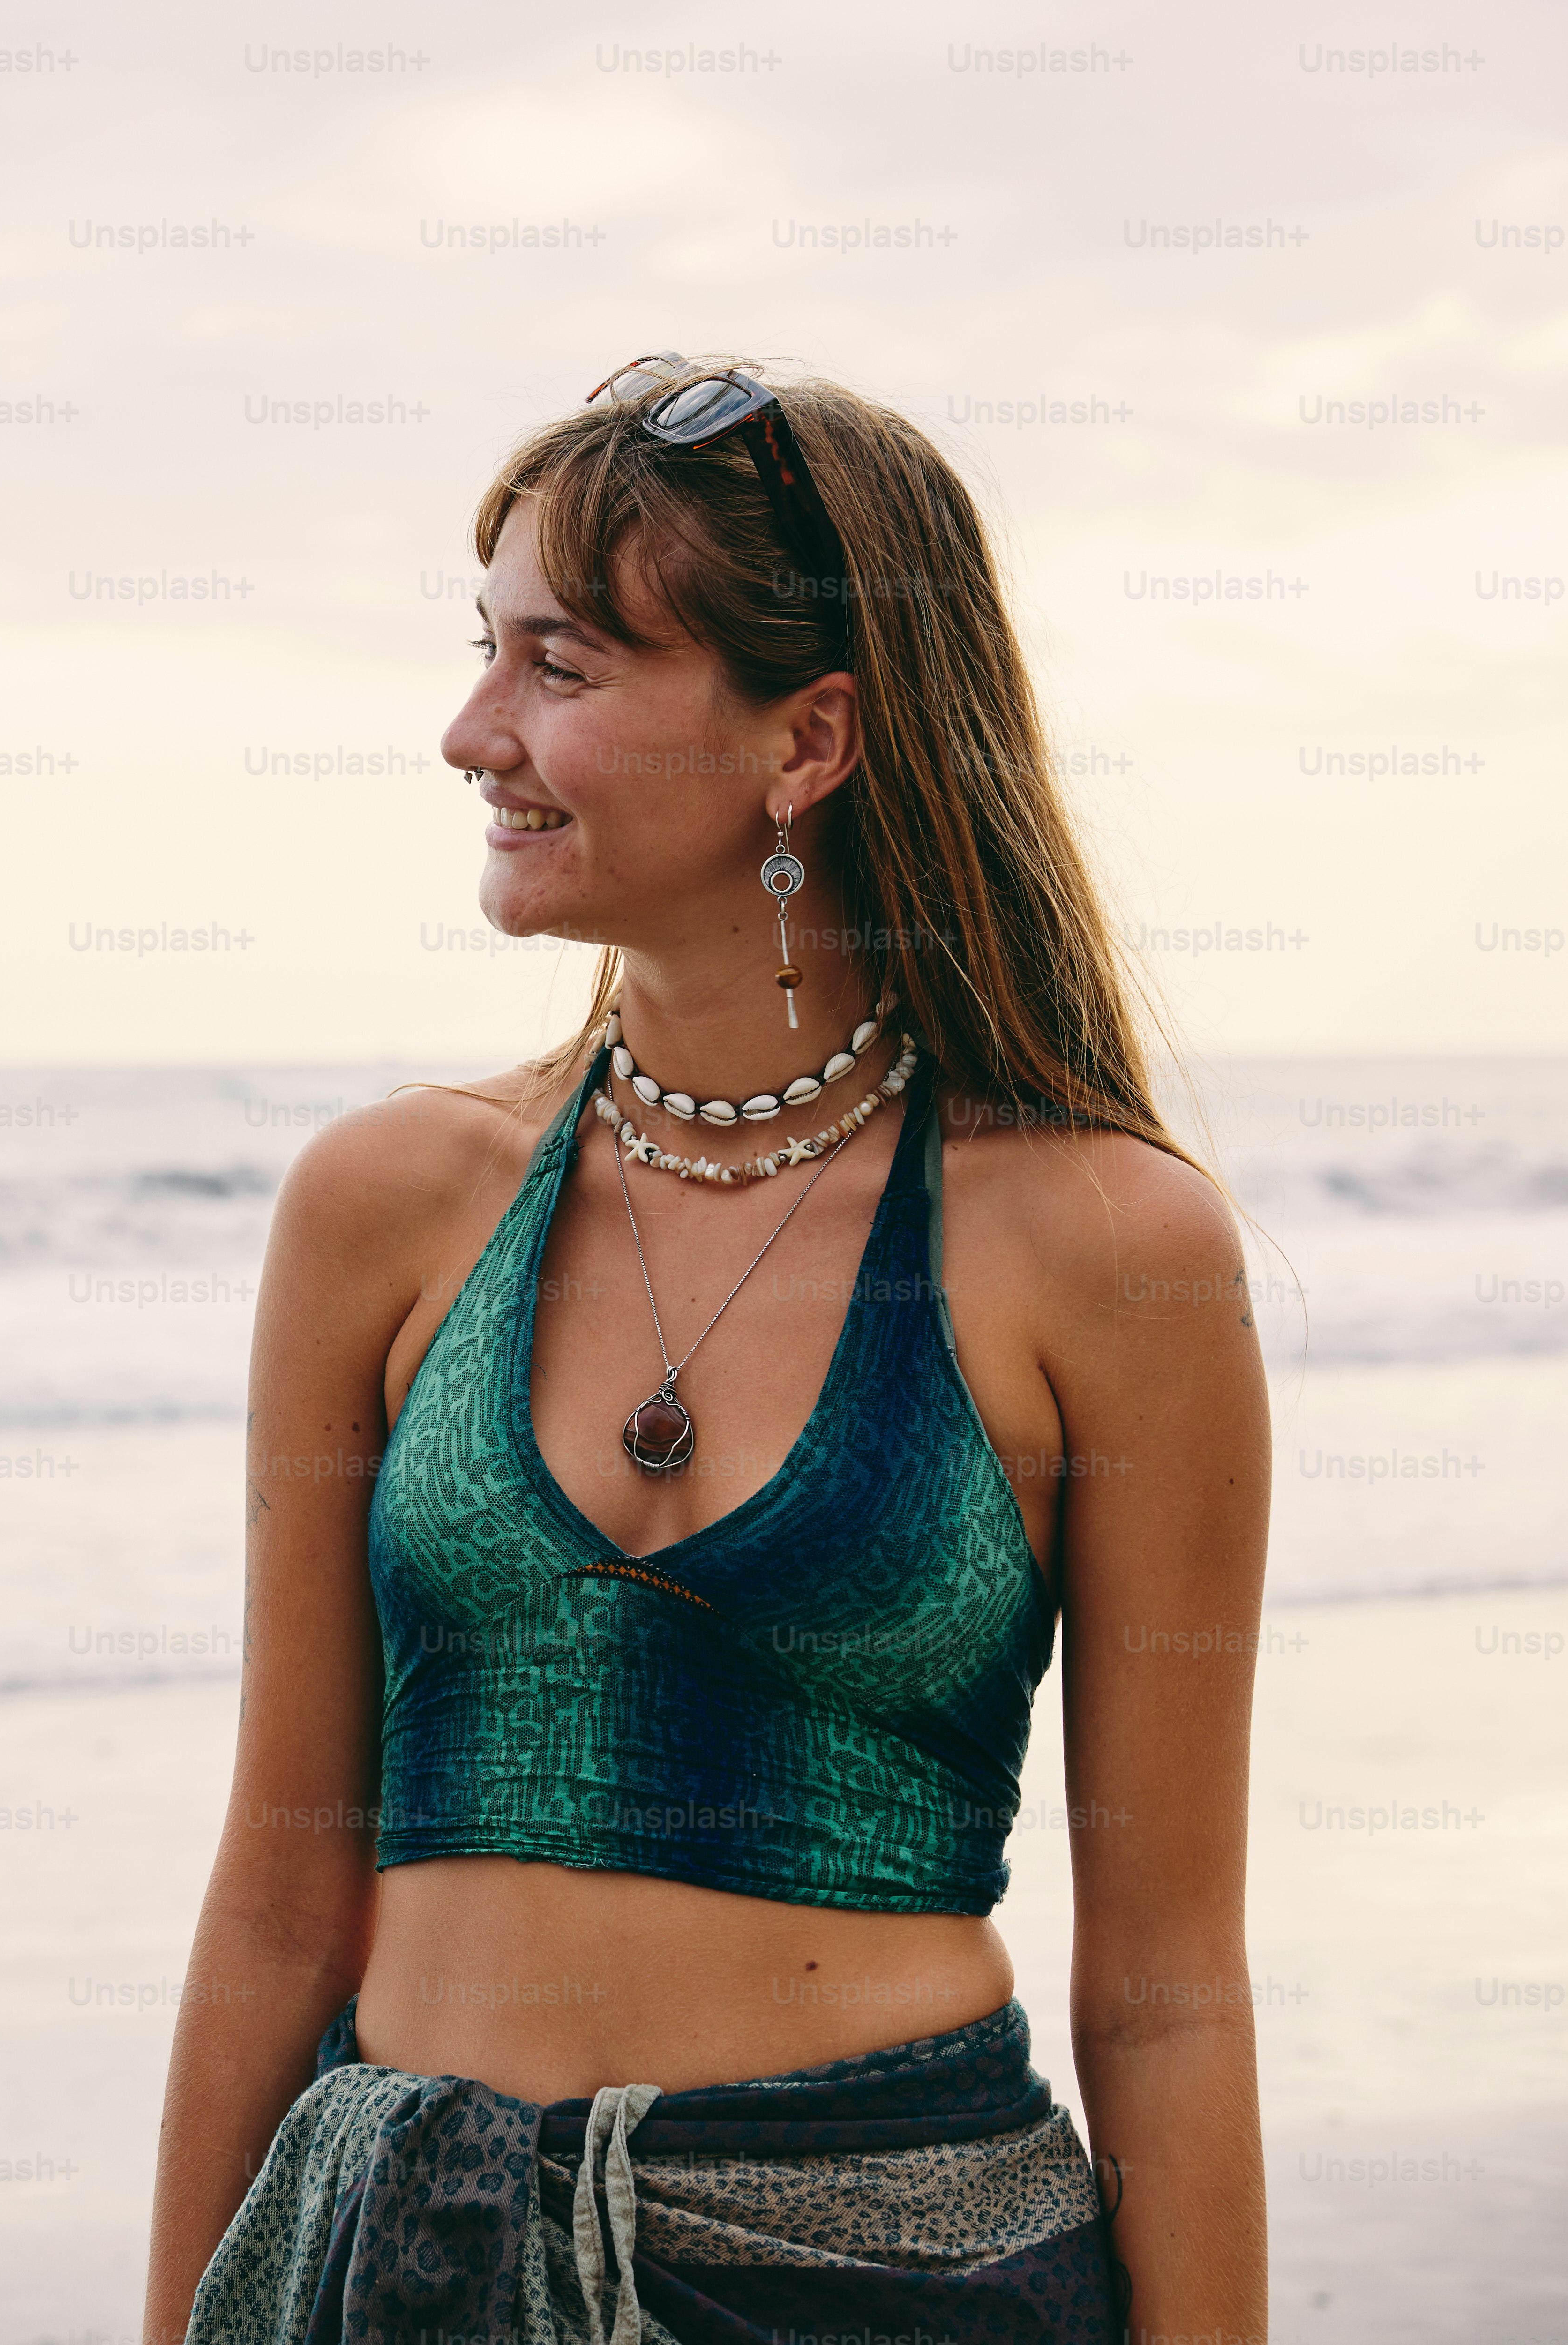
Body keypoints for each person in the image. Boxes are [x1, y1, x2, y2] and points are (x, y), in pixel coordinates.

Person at [142, 356, 1269, 2341]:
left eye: (559, 668)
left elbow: (1167, 1986)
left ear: (810, 737)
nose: (470, 733)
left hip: (881, 2269)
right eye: (484, 655)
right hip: (399, 2265)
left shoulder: (1105, 1246)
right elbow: (275, 1897)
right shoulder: (388, 1206)